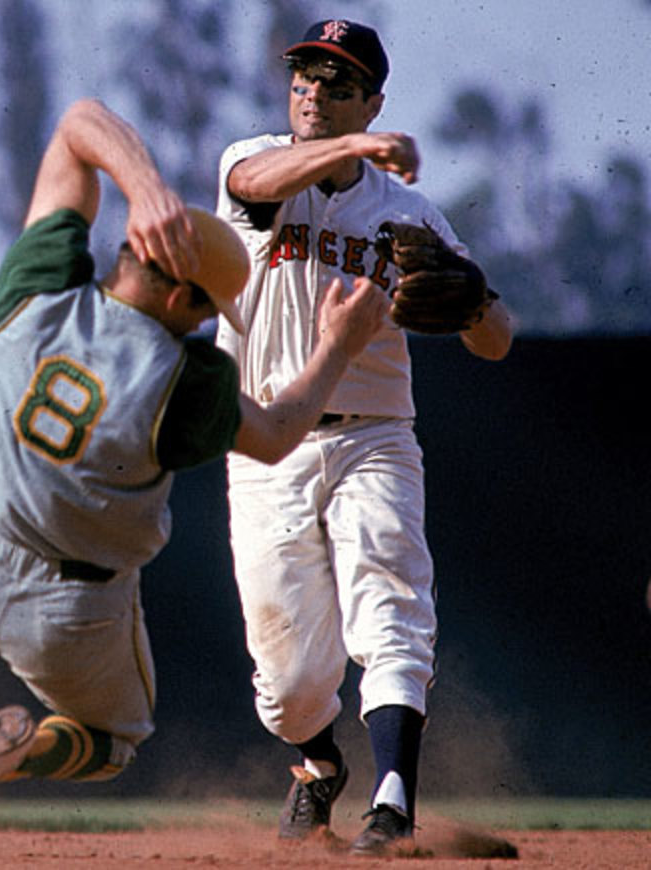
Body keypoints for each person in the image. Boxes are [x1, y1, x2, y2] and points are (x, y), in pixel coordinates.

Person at [0, 97, 387, 804]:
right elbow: (275, 436)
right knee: (112, 741)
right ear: (183, 301)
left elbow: (77, 126)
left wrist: (145, 191)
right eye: (207, 309)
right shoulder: (184, 379)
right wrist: (337, 346)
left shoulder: (37, 287)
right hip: (67, 613)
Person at [214, 20, 514, 855]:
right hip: (265, 442)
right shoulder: (252, 162)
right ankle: (318, 764)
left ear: (373, 101)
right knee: (288, 685)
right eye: (305, 78)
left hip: (374, 436)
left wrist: (474, 299)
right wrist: (357, 145)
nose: (314, 93)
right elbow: (255, 183)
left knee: (391, 610)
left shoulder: (409, 212)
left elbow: (498, 341)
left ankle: (393, 803)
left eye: (338, 84)